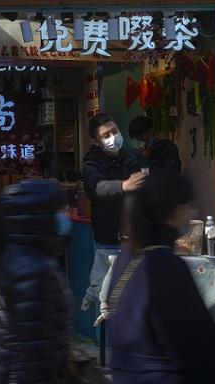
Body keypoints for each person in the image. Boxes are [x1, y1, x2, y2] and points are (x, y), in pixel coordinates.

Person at [106, 170, 215, 383]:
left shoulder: (125, 260)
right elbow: (201, 348)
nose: (189, 214)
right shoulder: (165, 267)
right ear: (177, 210)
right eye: (187, 207)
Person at [0, 179, 73, 384]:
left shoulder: (21, 257)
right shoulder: (32, 269)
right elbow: (29, 346)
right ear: (42, 215)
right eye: (60, 210)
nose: (65, 216)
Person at [81, 113, 147, 310]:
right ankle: (110, 337)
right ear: (95, 141)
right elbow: (97, 188)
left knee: (138, 291)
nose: (113, 137)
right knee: (109, 293)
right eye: (106, 135)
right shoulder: (91, 164)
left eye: (115, 131)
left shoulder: (135, 156)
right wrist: (124, 186)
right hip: (108, 237)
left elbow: (147, 184)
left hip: (138, 235)